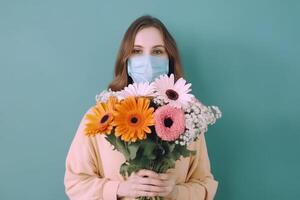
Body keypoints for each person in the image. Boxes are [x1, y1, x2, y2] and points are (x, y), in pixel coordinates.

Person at [64, 15, 219, 200]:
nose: (148, 61)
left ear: (169, 59)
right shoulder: (100, 117)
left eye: (157, 51)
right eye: (137, 51)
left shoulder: (189, 118)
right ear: (126, 60)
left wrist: (176, 192)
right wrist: (120, 189)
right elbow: (75, 183)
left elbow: (205, 185)